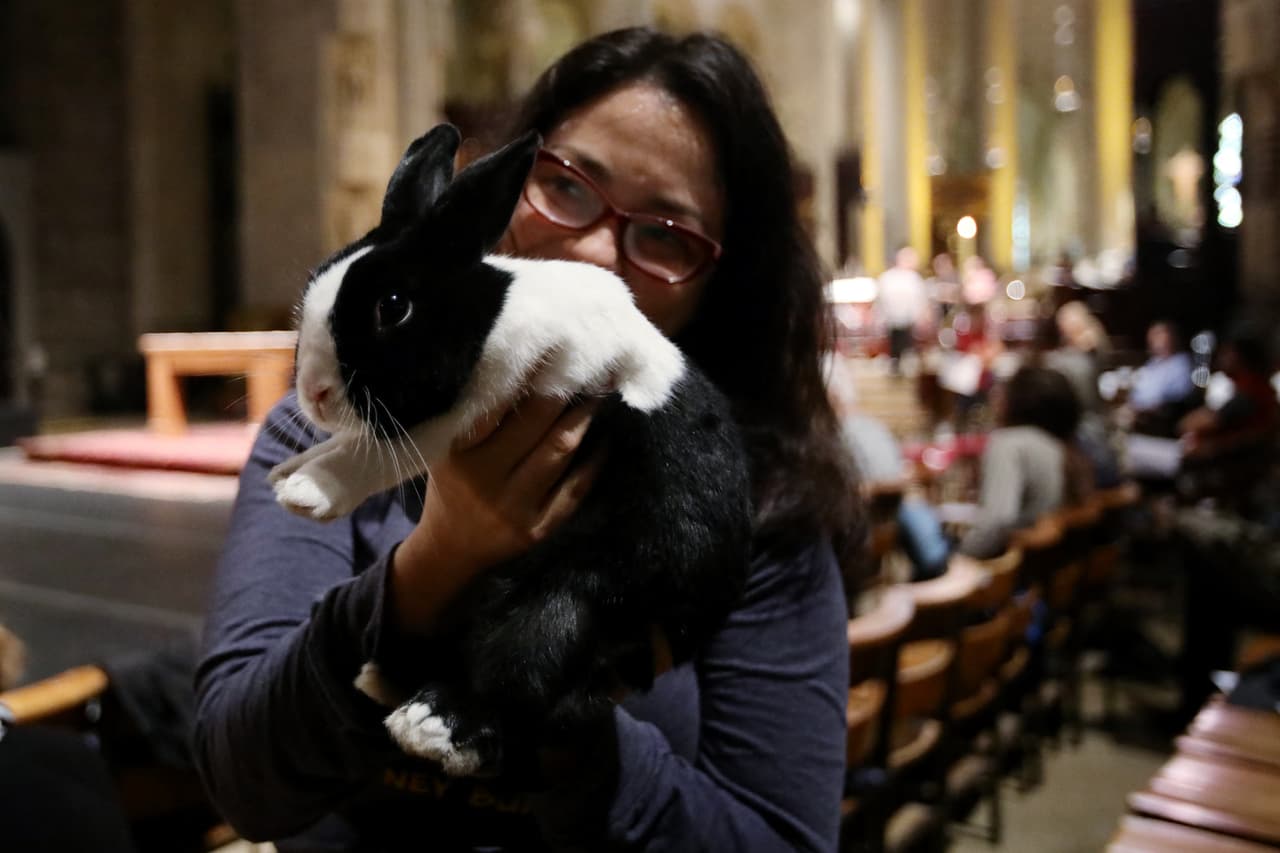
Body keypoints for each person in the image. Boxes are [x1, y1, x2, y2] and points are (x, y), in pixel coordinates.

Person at [194, 27, 862, 852]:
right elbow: (243, 774)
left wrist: (555, 709)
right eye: (567, 186)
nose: (591, 251)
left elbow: (782, 838)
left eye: (664, 236)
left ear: (719, 289)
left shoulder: (753, 499)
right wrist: (436, 563)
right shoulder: (337, 433)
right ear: (508, 181)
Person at [958, 366, 1093, 559]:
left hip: (1007, 577)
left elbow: (998, 521)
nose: (996, 397)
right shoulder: (1060, 447)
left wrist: (961, 556)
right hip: (1042, 572)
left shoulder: (1009, 444)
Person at [1125, 319, 1196, 435]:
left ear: (1171, 338)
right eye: (1152, 336)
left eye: (1159, 335)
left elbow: (1179, 396)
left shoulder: (1181, 363)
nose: (1154, 340)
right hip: (1140, 419)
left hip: (1165, 423)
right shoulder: (1151, 364)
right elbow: (1137, 393)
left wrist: (1148, 409)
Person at [876, 245, 929, 370]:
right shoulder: (888, 277)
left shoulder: (914, 278)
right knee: (895, 348)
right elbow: (882, 299)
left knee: (908, 349)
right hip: (892, 321)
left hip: (910, 322)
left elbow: (920, 300)